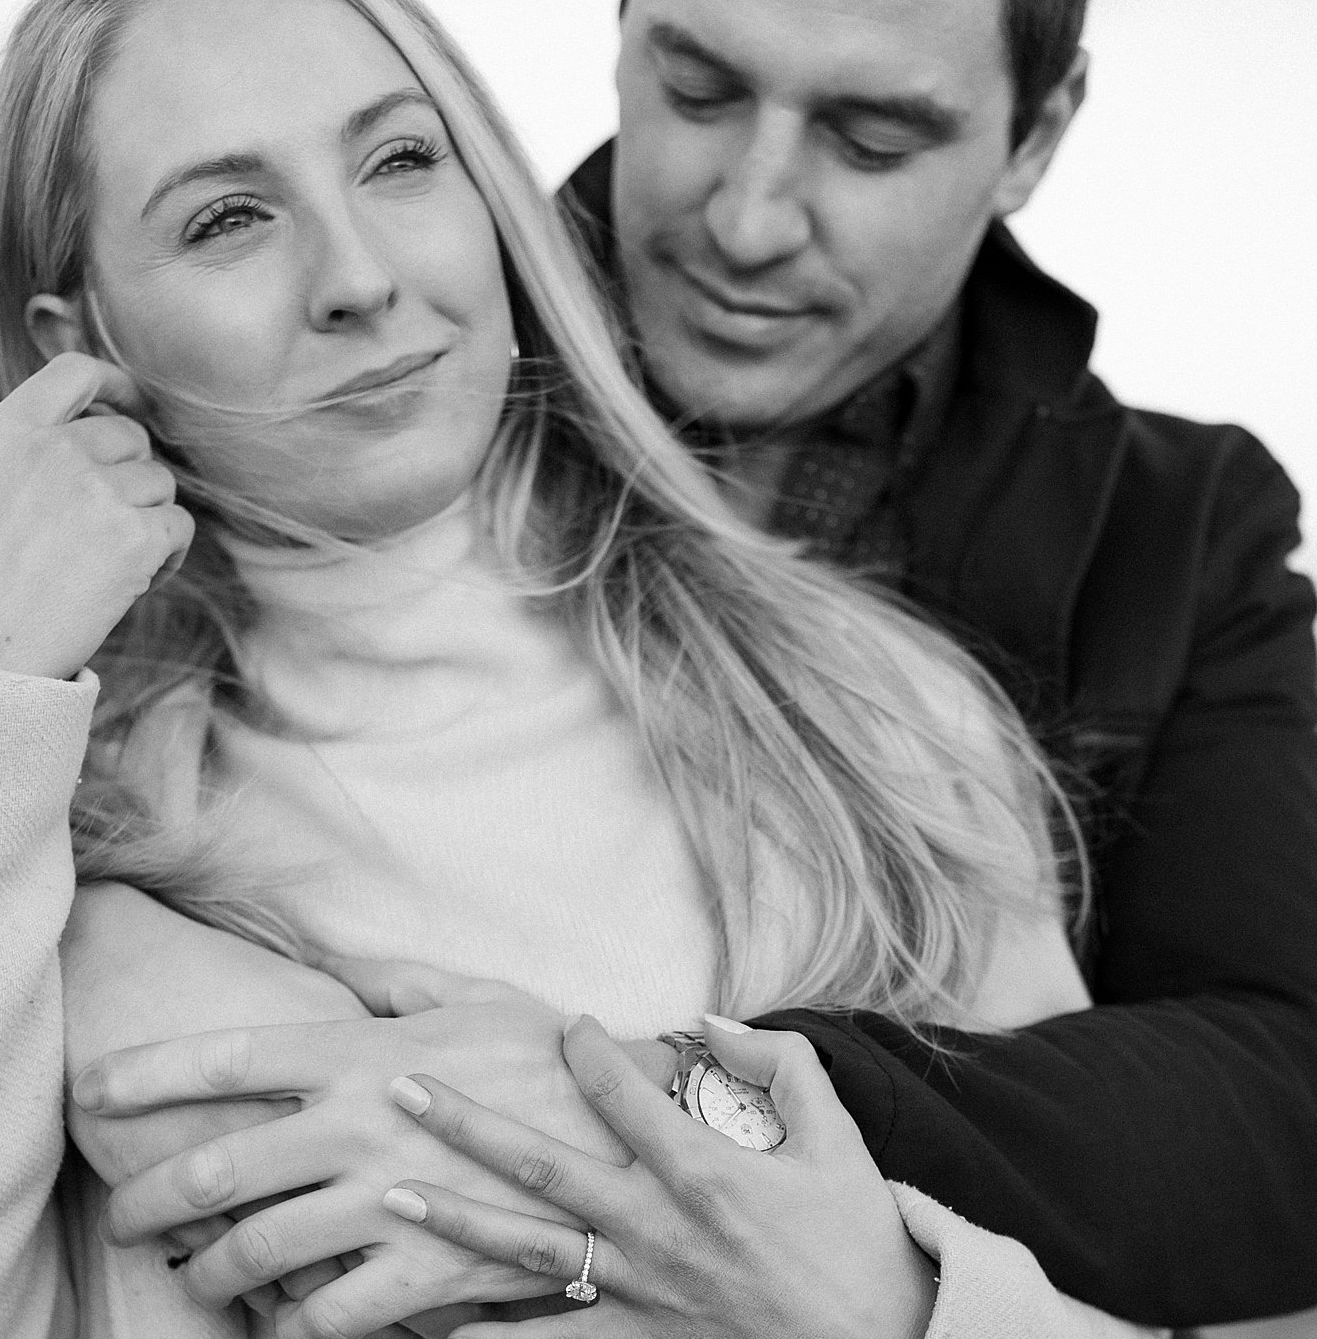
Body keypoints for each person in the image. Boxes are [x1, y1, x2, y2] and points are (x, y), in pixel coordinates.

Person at [70, 0, 1317, 1330]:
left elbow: (1282, 1097)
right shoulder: (384, 378)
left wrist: (653, 1104)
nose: (747, 222)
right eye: (701, 90)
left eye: (872, 138)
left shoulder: (1128, 560)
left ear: (1036, 137)